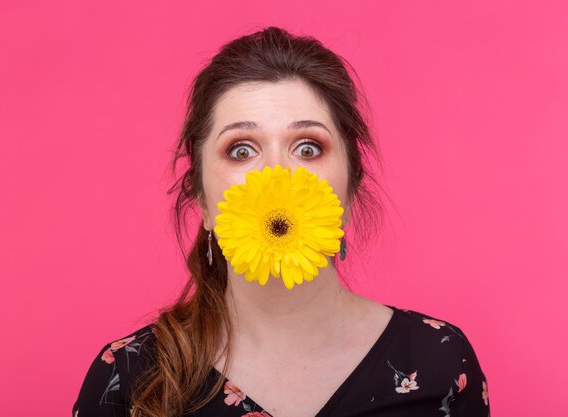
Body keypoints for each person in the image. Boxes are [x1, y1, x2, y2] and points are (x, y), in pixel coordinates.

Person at [72, 26, 491, 417]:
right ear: (200, 197)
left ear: (351, 184)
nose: (276, 174)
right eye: (241, 150)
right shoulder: (128, 379)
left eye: (308, 148)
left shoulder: (440, 362)